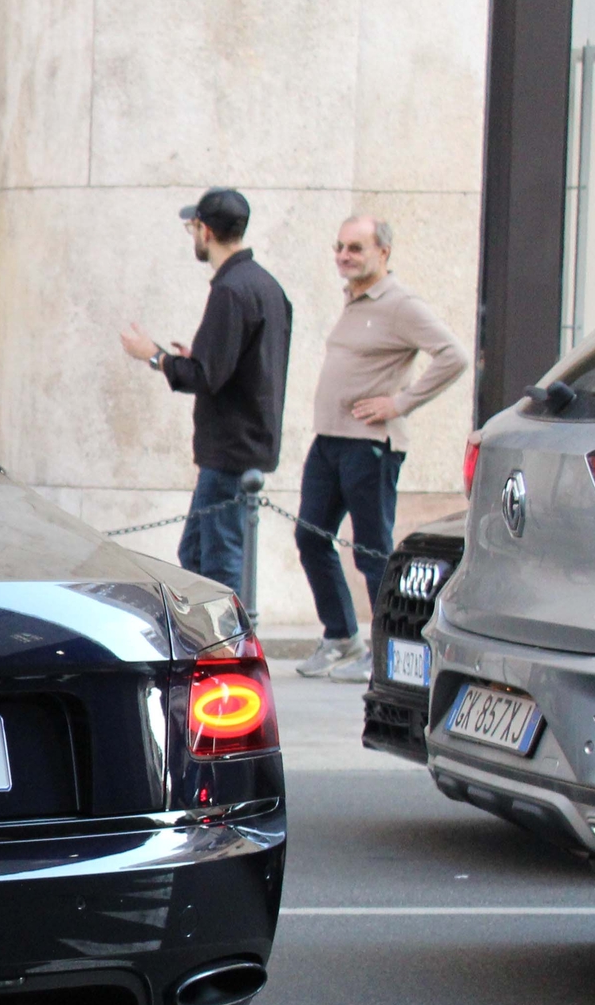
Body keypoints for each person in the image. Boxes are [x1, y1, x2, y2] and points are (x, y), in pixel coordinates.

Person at [289, 216, 469, 683]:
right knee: (311, 536)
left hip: (370, 446)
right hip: (329, 441)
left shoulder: (400, 304)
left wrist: (401, 402)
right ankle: (340, 638)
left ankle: (383, 650)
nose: (344, 256)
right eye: (340, 247)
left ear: (383, 253)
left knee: (372, 551)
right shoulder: (353, 300)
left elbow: (453, 355)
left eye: (356, 248)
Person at [119, 188, 292, 593]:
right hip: (242, 446)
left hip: (231, 451)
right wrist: (204, 356)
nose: (192, 236)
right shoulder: (265, 285)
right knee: (195, 554)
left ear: (206, 230)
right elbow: (242, 362)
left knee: (218, 565)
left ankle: (227, 650)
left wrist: (155, 355)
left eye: (192, 227)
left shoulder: (231, 289)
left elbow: (204, 376)